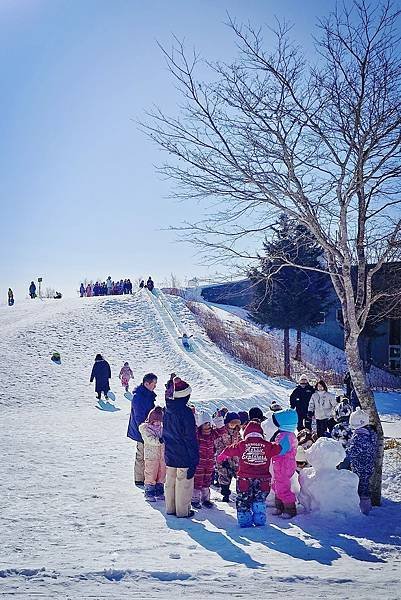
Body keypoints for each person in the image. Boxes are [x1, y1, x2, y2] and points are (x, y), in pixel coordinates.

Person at [217, 420, 283, 527]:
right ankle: (259, 519)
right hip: (263, 479)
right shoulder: (267, 445)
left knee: (243, 498)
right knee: (259, 499)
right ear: (261, 434)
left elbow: (229, 449)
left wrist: (222, 456)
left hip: (244, 478)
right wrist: (275, 443)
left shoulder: (242, 445)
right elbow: (278, 448)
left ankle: (244, 519)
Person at [163, 377, 199, 518]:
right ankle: (183, 511)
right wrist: (194, 458)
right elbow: (190, 437)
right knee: (183, 483)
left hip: (170, 451)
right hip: (184, 452)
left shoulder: (167, 409)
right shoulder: (186, 413)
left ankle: (170, 508)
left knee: (170, 481)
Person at [127, 373, 158, 486]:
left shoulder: (147, 394)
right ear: (146, 383)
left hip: (146, 428)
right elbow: (139, 416)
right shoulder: (139, 397)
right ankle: (139, 478)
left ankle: (144, 476)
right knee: (141, 454)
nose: (155, 386)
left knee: (145, 453)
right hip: (141, 430)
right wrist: (145, 429)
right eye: (153, 384)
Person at [191, 411, 225, 509]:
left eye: (209, 424)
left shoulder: (212, 434)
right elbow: (192, 430)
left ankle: (206, 499)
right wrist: (194, 418)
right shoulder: (198, 435)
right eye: (205, 424)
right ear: (201, 425)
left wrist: (218, 419)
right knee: (198, 481)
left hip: (210, 462)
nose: (208, 426)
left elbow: (221, 431)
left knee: (207, 481)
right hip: (199, 463)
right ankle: (195, 499)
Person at [348, 408, 378, 515]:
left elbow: (352, 452)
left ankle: (364, 510)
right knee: (365, 487)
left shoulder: (359, 437)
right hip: (369, 465)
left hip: (360, 467)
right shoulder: (371, 434)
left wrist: (346, 450)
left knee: (361, 488)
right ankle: (367, 506)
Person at [270, 409, 298, 518]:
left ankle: (290, 509)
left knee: (282, 486)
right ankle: (280, 506)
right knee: (277, 484)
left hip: (283, 465)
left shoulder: (285, 436)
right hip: (282, 464)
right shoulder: (286, 434)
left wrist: (270, 448)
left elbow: (280, 450)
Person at [138, 406, 166, 502]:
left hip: (162, 456)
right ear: (151, 420)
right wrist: (160, 440)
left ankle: (159, 490)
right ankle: (149, 491)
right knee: (151, 473)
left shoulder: (162, 428)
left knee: (162, 473)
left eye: (160, 421)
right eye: (156, 421)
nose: (158, 423)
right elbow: (149, 440)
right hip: (151, 456)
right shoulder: (145, 429)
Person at [214, 411, 241, 502]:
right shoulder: (222, 431)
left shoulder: (237, 432)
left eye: (236, 423)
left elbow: (240, 442)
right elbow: (218, 443)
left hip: (235, 458)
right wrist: (223, 456)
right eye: (232, 423)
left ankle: (240, 492)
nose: (234, 425)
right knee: (224, 476)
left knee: (239, 475)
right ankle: (225, 494)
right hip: (223, 458)